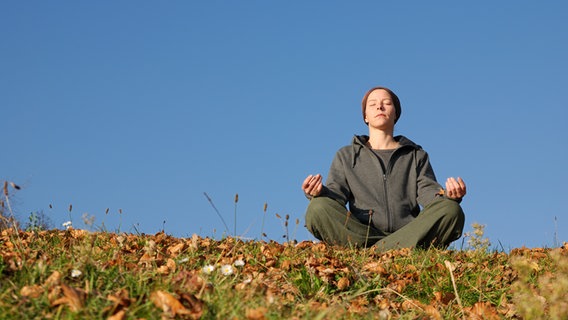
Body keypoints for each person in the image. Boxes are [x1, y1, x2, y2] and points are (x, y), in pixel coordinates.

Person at [302, 86, 466, 250]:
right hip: (362, 236)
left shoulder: (415, 155)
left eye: (386, 103)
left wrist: (450, 196)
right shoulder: (346, 155)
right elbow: (335, 195)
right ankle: (388, 249)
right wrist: (318, 192)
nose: (379, 107)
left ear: (395, 114)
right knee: (317, 208)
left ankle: (376, 251)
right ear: (365, 116)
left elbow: (429, 193)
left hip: (408, 233)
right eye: (372, 104)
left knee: (451, 209)